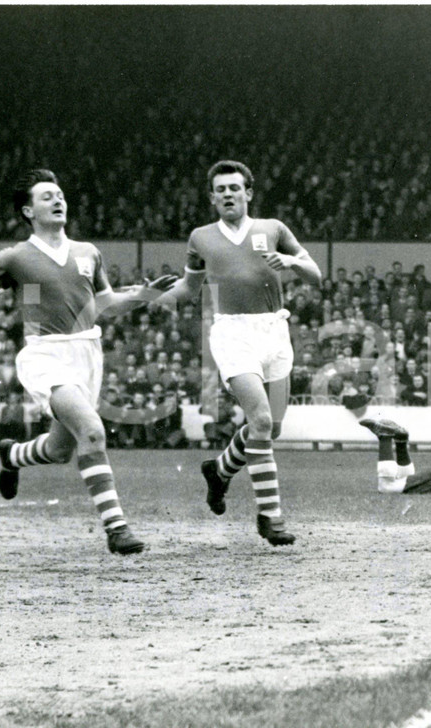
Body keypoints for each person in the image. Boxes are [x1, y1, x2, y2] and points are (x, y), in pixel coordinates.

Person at [0, 169, 159, 555]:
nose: (58, 200)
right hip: (45, 353)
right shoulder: (14, 257)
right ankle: (117, 528)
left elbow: (105, 305)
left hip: (87, 353)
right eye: (47, 196)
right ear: (28, 210)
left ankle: (11, 455)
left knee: (62, 449)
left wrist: (143, 295)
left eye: (60, 194)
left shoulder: (88, 252)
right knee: (92, 431)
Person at [152, 160, 322, 546]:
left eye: (235, 187)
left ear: (248, 192)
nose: (228, 194)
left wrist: (292, 261)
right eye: (221, 189)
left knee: (271, 428)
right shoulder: (201, 238)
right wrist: (156, 297)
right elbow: (189, 288)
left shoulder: (273, 229)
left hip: (274, 330)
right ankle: (270, 516)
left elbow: (316, 274)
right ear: (212, 198)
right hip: (232, 333)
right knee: (260, 419)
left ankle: (219, 471)